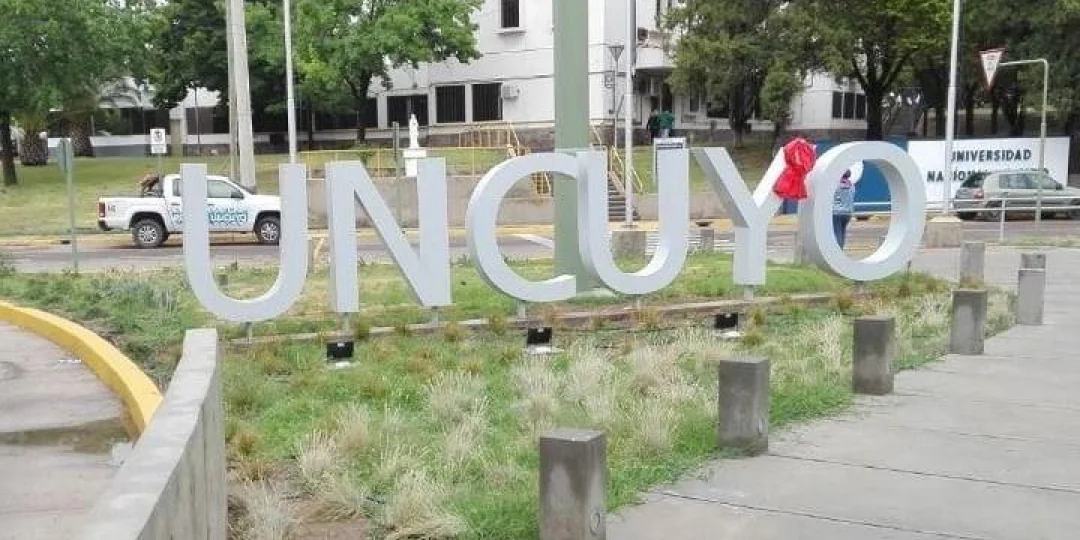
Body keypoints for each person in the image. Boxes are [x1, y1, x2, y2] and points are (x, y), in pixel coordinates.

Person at [833, 170, 856, 249]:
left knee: (837, 233)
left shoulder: (836, 185)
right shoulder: (852, 186)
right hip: (848, 213)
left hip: (836, 212)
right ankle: (841, 248)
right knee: (843, 232)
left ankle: (838, 250)